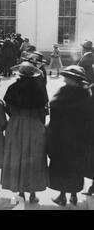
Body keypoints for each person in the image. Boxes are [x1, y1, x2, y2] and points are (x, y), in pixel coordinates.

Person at [1, 61, 49, 204]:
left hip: (15, 125)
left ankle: (20, 192)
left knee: (17, 157)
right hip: (34, 125)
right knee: (34, 158)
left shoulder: (13, 88)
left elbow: (7, 109)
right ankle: (33, 193)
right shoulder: (39, 90)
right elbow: (43, 112)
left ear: (20, 74)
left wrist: (17, 117)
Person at [47, 66, 93, 206]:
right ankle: (73, 196)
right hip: (79, 138)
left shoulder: (62, 92)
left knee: (62, 167)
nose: (65, 79)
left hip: (61, 138)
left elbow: (53, 112)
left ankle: (62, 196)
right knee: (75, 167)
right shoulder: (85, 94)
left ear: (71, 79)